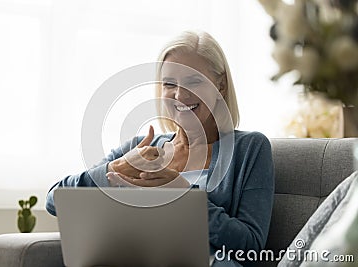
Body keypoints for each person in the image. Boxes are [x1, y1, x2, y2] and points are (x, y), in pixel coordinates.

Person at [46, 31, 274, 266]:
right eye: (169, 84)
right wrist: (118, 167)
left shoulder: (250, 149)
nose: (179, 95)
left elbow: (251, 248)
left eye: (193, 81)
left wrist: (184, 196)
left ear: (221, 86)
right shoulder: (139, 148)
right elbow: (54, 200)